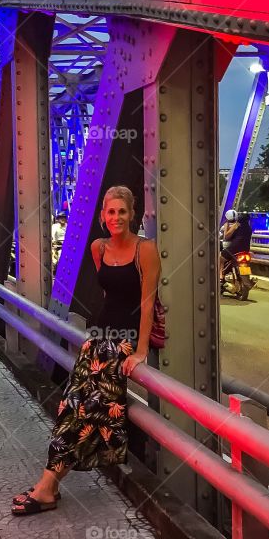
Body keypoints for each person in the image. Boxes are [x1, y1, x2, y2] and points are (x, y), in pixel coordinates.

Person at [11, 185, 160, 515]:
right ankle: (48, 485)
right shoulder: (98, 247)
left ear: (132, 214)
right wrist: (96, 339)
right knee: (71, 405)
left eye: (122, 211)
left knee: (82, 407)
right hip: (99, 338)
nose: (116, 217)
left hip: (124, 341)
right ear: (103, 216)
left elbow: (146, 305)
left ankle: (47, 486)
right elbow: (109, 297)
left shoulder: (145, 250)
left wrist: (139, 351)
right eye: (110, 212)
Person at [219, 208, 252, 284]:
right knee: (246, 264)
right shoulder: (249, 228)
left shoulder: (236, 225)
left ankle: (220, 275)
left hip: (234, 249)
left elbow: (226, 236)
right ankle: (247, 278)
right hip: (245, 250)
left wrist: (227, 227)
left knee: (220, 258)